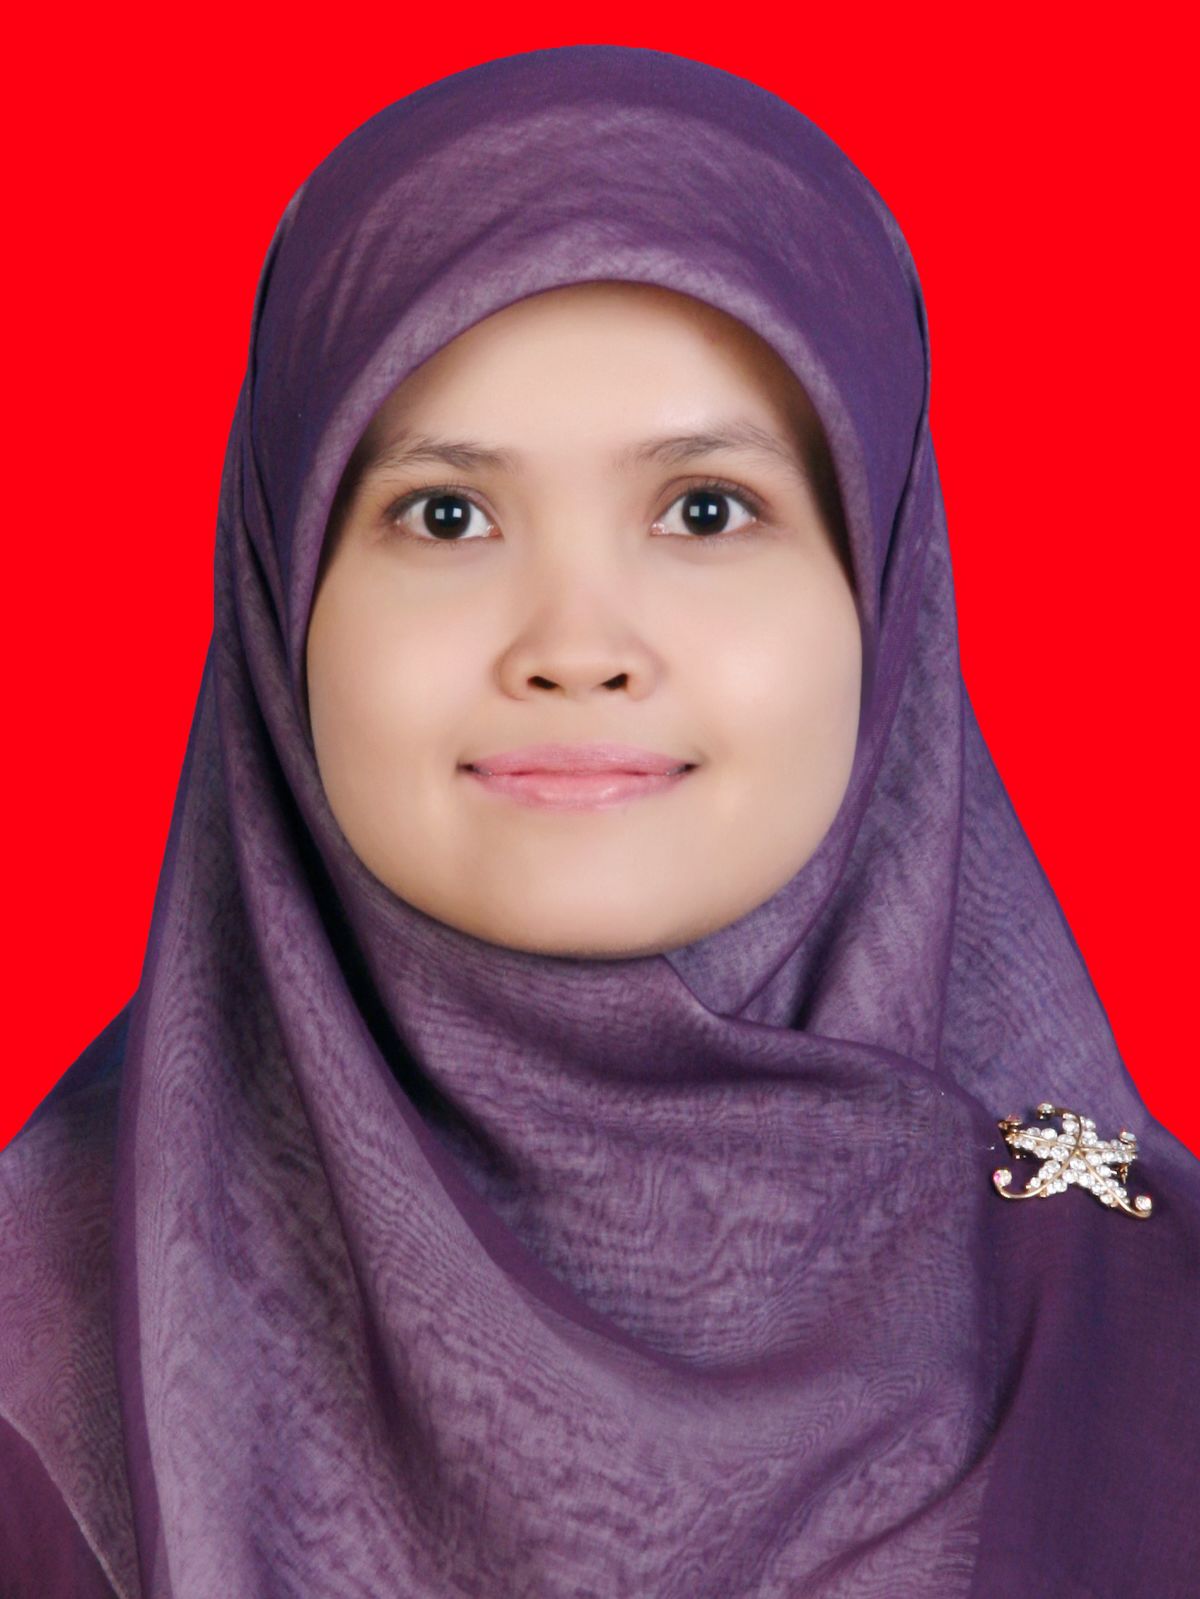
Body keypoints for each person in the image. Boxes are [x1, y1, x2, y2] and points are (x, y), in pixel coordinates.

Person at [1, 43, 1197, 1599]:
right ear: (284, 599)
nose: (575, 643)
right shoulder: (42, 1340)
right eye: (446, 515)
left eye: (706, 509)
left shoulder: (1145, 1322)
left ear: (883, 597)